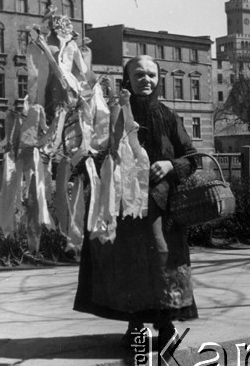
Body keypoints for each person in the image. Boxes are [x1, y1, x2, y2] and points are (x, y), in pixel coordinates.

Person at [73, 55, 198, 349]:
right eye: (139, 74)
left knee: (162, 259)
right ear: (127, 80)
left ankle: (166, 326)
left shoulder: (168, 116)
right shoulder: (112, 113)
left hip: (160, 205)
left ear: (158, 79)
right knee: (128, 262)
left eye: (152, 75)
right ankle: (135, 326)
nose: (146, 80)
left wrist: (170, 166)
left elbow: (191, 158)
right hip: (122, 206)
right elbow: (98, 149)